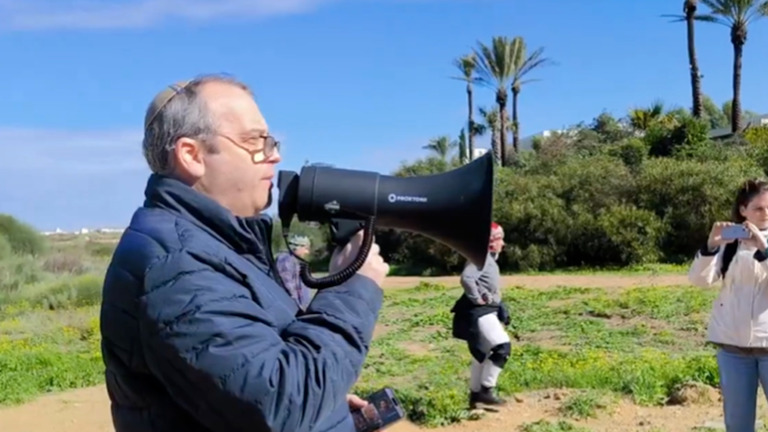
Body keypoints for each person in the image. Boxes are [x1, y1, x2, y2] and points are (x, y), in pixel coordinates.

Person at [99, 74, 389, 432]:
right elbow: (283, 402)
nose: (275, 155)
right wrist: (352, 289)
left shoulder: (216, 246)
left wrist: (327, 407)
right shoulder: (174, 264)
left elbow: (242, 383)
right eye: (256, 141)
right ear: (192, 155)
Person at [688, 178, 768, 432]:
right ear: (743, 210)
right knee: (738, 424)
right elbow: (700, 281)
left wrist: (763, 249)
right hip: (733, 349)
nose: (765, 214)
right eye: (759, 208)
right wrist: (711, 245)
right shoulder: (730, 242)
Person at [450, 222, 511, 409]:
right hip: (479, 312)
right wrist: (477, 298)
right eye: (496, 238)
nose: (499, 242)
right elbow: (467, 278)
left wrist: (500, 306)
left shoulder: (489, 259)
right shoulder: (482, 258)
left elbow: (487, 286)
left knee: (481, 355)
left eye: (499, 237)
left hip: (485, 310)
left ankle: (475, 396)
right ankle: (486, 390)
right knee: (502, 347)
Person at [275, 234, 313, 310]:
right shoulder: (285, 260)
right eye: (306, 248)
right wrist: (298, 307)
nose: (307, 252)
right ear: (298, 247)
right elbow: (288, 287)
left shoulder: (295, 260)